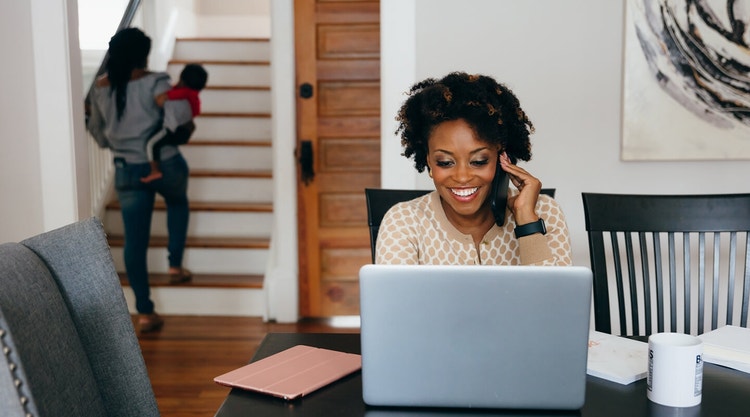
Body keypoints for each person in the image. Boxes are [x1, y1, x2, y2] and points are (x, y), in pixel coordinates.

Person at [376, 72, 572, 266]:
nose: (462, 177)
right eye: (445, 162)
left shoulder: (544, 212)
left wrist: (528, 222)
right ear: (428, 160)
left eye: (478, 161)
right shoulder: (403, 221)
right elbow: (395, 299)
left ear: (502, 158)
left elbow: (556, 298)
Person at [86, 27, 193, 333]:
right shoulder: (156, 80)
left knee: (135, 241)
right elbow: (174, 117)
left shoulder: (100, 88)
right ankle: (175, 265)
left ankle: (145, 312)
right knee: (177, 202)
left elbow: (101, 137)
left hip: (126, 169)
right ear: (142, 55)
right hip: (166, 162)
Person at [141, 63, 208, 183]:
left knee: (151, 144)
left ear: (183, 79)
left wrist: (163, 95)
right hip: (184, 129)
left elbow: (162, 99)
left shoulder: (185, 93)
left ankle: (154, 170)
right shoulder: (192, 95)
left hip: (175, 130)